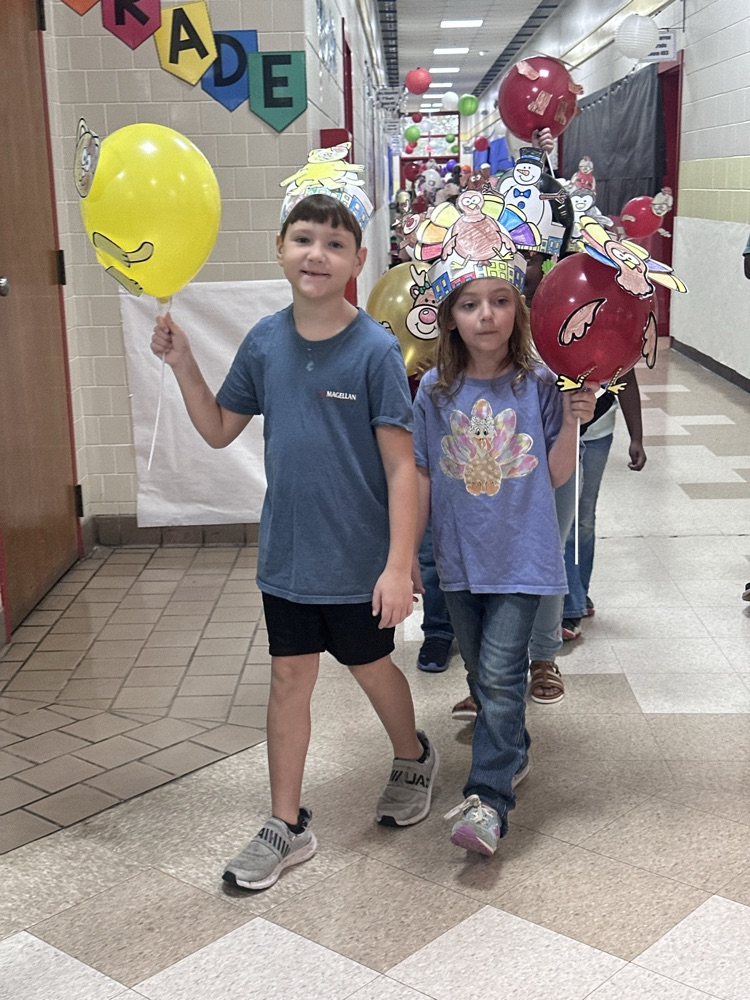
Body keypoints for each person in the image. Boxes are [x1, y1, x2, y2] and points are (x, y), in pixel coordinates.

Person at [150, 192, 437, 891]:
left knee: (371, 668)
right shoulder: (264, 342)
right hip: (287, 557)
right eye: (304, 239)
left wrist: (401, 565)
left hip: (359, 561)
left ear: (358, 261)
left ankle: (411, 754)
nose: (318, 254)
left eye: (335, 244)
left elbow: (404, 467)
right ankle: (285, 824)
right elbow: (220, 428)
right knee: (289, 679)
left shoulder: (372, 349)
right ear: (280, 247)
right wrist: (184, 363)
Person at [413, 270, 597, 856]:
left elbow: (557, 473)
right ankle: (512, 747)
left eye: (499, 302)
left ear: (517, 310)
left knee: (497, 673)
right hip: (459, 560)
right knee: (481, 674)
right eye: (470, 305)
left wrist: (573, 420)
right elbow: (419, 471)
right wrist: (406, 555)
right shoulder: (435, 390)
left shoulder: (538, 383)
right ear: (451, 317)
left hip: (522, 557)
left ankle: (487, 799)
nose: (486, 315)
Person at [561, 371, 646, 638]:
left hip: (597, 433)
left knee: (583, 518)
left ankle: (577, 593)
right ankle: (569, 606)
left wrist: (637, 437)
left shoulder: (611, 331)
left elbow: (627, 378)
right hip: (553, 428)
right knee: (565, 518)